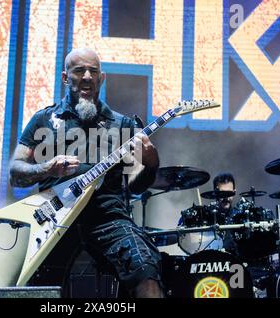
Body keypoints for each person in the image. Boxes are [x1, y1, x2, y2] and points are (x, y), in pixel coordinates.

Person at [9, 48, 164, 298]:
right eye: (79, 70)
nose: (87, 77)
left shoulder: (122, 124)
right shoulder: (44, 119)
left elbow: (136, 186)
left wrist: (151, 163)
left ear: (102, 79)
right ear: (65, 77)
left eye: (93, 71)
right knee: (32, 288)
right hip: (55, 219)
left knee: (145, 269)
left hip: (107, 217)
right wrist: (46, 168)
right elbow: (16, 172)